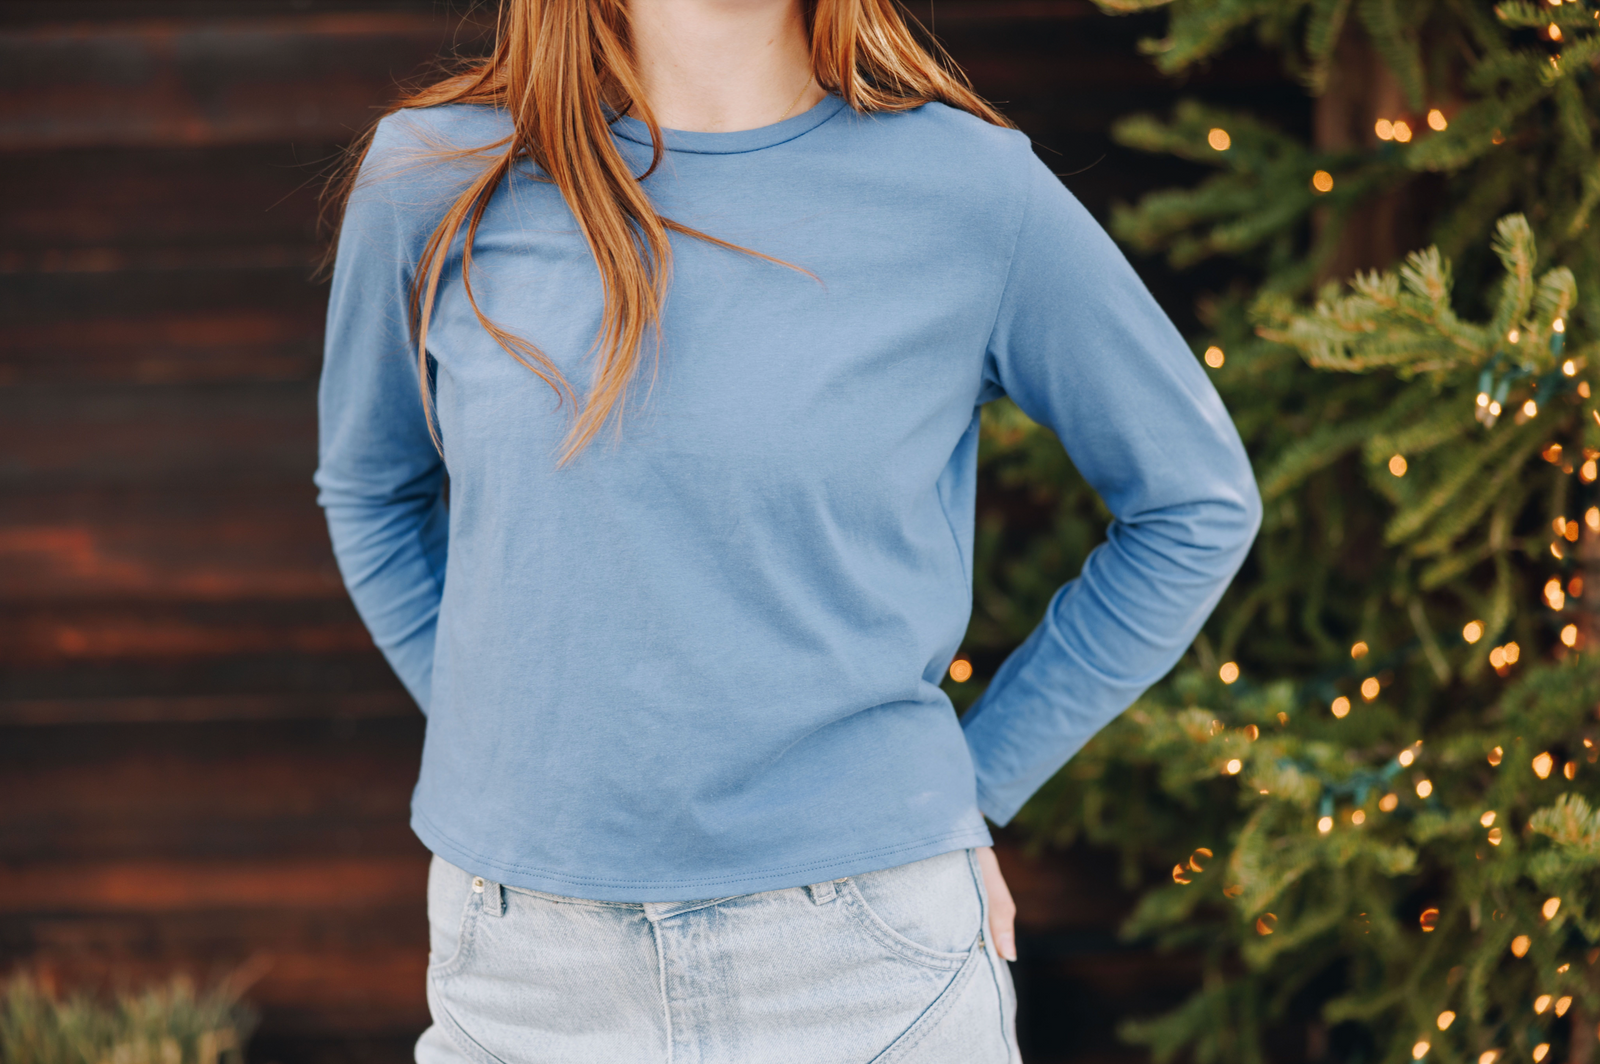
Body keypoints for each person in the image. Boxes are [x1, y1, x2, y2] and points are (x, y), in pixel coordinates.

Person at [314, 0, 1262, 1055]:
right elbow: (370, 491)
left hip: (861, 963)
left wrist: (972, 785)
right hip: (526, 969)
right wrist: (505, 740)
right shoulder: (440, 171)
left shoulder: (972, 191)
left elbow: (1193, 503)